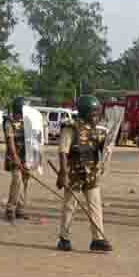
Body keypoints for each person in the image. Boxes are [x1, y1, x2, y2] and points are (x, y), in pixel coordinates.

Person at [56, 95, 113, 252]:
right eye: (93, 113)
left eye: (97, 113)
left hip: (91, 174)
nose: (96, 116)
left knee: (95, 206)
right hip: (73, 173)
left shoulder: (98, 129)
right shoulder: (71, 127)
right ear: (84, 112)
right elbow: (63, 151)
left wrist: (107, 147)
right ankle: (64, 238)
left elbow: (102, 150)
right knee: (70, 206)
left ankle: (98, 239)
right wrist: (63, 173)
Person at [2, 97, 31, 222]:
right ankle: (10, 209)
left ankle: (20, 209)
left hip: (25, 157)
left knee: (24, 182)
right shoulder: (9, 122)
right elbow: (10, 141)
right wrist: (15, 158)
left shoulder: (26, 121)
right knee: (17, 181)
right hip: (14, 157)